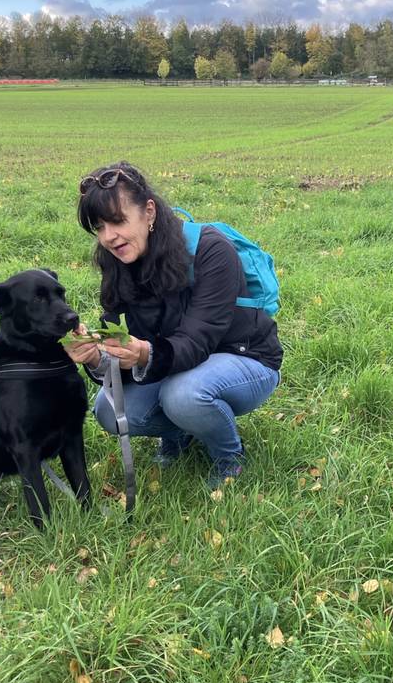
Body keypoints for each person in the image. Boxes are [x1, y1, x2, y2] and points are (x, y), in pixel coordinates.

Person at [65, 162, 282, 488]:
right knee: (108, 410)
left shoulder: (211, 250)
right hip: (175, 363)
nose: (109, 237)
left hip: (245, 357)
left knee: (183, 395)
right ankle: (180, 433)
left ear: (149, 211)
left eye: (118, 221)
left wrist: (142, 353)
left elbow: (197, 341)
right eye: (99, 227)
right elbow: (125, 347)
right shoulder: (118, 261)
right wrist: (98, 357)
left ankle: (229, 456)